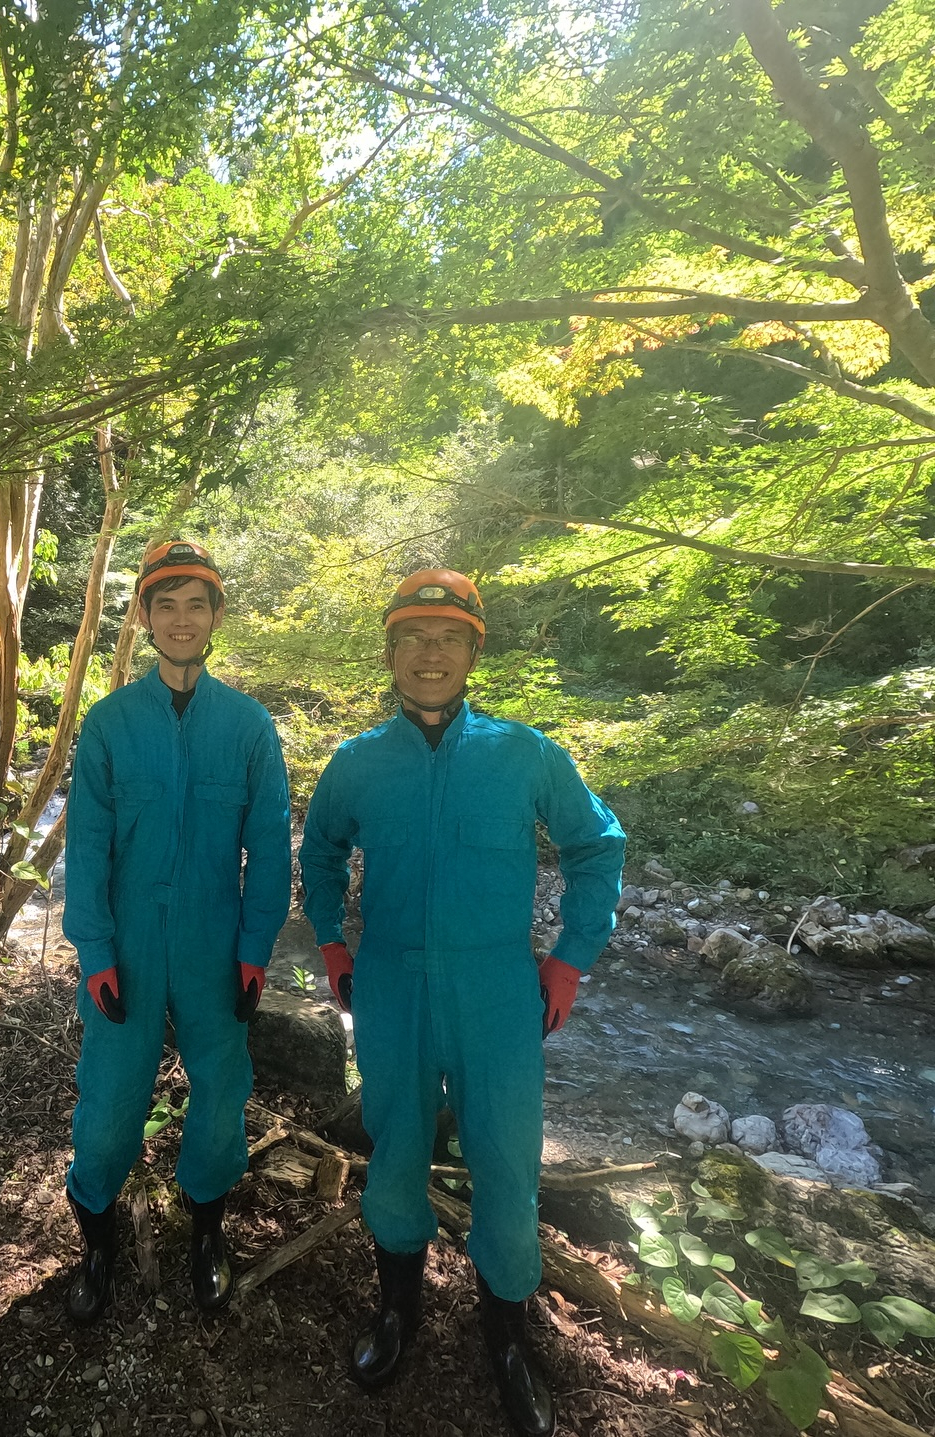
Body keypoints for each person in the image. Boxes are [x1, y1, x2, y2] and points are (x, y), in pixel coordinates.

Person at [299, 569, 624, 1436]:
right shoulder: (358, 761)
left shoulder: (526, 754)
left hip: (496, 991)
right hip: (395, 986)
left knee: (508, 1166)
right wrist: (332, 939)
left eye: (449, 636)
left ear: (475, 649)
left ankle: (508, 1339)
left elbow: (598, 845)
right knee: (398, 1147)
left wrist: (569, 960)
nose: (430, 652)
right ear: (391, 651)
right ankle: (397, 1309)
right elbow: (321, 852)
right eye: (413, 635)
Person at [60, 540, 291, 1321]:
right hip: (125, 945)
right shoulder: (110, 724)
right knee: (108, 1102)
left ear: (217, 615)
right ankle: (96, 1239)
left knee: (221, 1094)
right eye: (167, 605)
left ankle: (207, 1233)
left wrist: (256, 950)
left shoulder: (250, 726)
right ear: (146, 617)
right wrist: (93, 951)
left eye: (197, 604)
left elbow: (269, 847)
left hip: (214, 947)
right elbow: (86, 845)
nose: (182, 619)